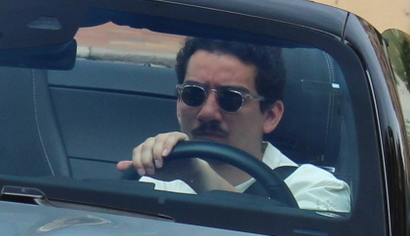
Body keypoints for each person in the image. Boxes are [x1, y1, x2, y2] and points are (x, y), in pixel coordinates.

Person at [118, 35, 350, 213]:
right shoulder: (151, 184)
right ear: (179, 102)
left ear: (270, 115)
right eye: (193, 94)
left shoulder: (317, 191)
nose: (208, 112)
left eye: (231, 98)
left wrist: (198, 175)